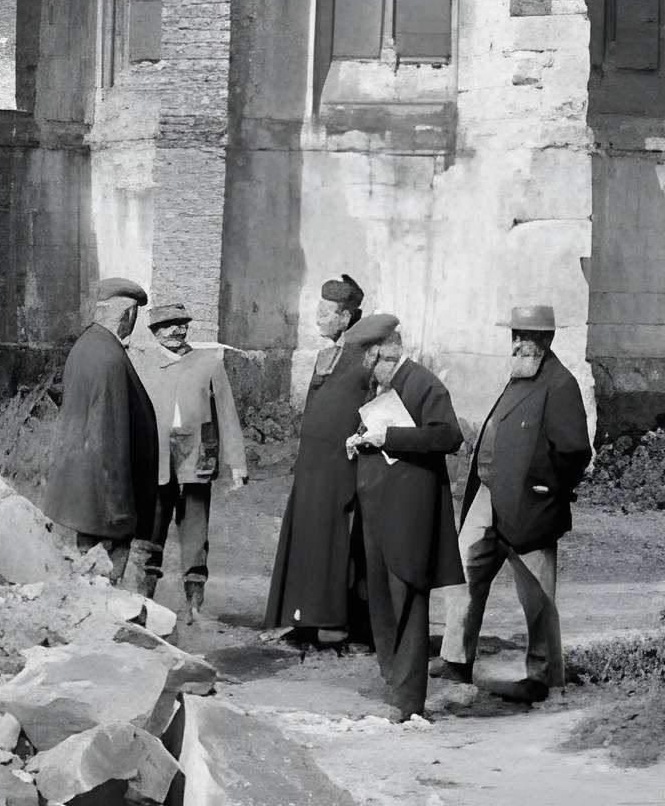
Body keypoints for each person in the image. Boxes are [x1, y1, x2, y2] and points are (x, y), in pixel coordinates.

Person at [437, 304, 590, 705]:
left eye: (530, 336)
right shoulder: (518, 375)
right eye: (516, 335)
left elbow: (574, 451)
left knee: (536, 593)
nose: (520, 343)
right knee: (463, 572)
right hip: (488, 495)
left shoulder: (560, 384)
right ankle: (456, 660)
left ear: (548, 341)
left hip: (530, 504)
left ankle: (541, 677)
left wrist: (545, 490)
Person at [345, 313, 465, 721]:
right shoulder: (380, 387)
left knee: (407, 596)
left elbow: (448, 436)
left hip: (409, 511)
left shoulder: (423, 383)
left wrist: (389, 437)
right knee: (380, 598)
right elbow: (379, 436)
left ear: (379, 351)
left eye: (363, 353)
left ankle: (408, 698)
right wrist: (360, 440)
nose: (360, 361)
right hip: (378, 508)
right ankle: (392, 684)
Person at [266, 273, 374, 646]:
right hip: (312, 467)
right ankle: (303, 615)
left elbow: (376, 409)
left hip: (342, 468)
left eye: (326, 311)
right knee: (307, 537)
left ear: (346, 317)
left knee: (335, 541)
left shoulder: (366, 358)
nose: (317, 317)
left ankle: (335, 620)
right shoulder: (324, 355)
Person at [126, 298, 248, 621]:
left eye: (182, 324)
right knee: (150, 531)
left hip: (196, 458)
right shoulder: (142, 366)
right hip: (157, 461)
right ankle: (141, 603)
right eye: (168, 325)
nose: (177, 330)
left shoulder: (208, 363)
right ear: (154, 331)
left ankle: (195, 605)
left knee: (195, 535)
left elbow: (227, 414)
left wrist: (238, 462)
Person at [42, 276, 158, 567]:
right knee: (106, 579)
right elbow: (111, 435)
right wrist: (119, 508)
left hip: (83, 493)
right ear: (125, 315)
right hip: (105, 500)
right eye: (134, 316)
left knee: (86, 571)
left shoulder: (85, 346)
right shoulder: (109, 357)